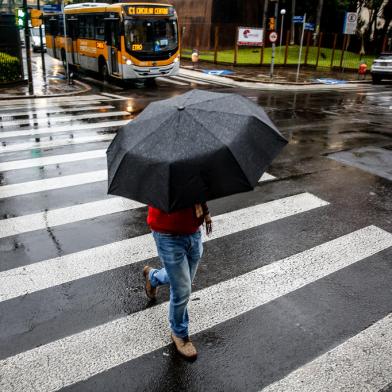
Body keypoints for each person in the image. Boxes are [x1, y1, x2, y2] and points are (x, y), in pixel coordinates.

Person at [143, 203, 212, 360]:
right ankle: (179, 333)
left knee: (181, 279)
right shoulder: (160, 178)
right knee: (182, 289)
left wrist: (206, 213)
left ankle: (153, 277)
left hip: (194, 231)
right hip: (168, 234)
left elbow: (200, 189)